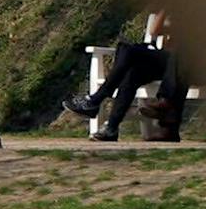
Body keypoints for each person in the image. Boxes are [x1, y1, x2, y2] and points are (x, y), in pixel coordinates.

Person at [63, 11, 184, 141]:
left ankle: (95, 100)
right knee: (132, 72)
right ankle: (111, 128)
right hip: (163, 61)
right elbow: (154, 31)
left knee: (128, 50)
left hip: (181, 63)